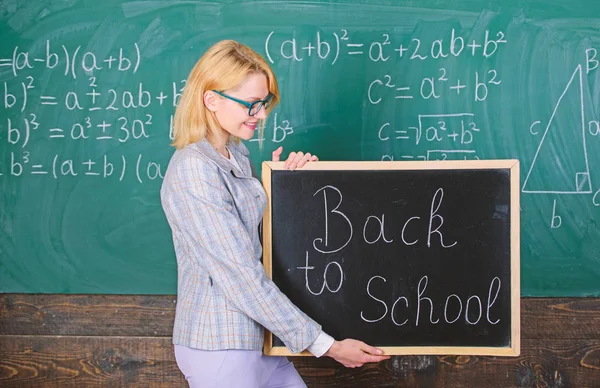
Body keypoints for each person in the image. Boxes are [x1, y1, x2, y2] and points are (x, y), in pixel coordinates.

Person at [160, 40, 390, 388]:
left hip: (259, 339)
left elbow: (256, 233)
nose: (262, 115)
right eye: (252, 105)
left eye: (264, 104)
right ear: (211, 99)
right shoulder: (194, 168)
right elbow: (240, 272)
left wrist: (292, 185)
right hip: (222, 344)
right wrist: (327, 346)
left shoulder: (234, 155)